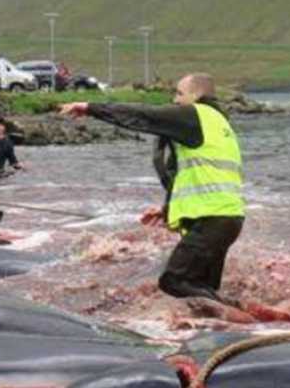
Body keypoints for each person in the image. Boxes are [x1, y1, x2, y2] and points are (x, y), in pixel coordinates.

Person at [59, 73, 245, 303]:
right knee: (200, 288)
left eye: (179, 93)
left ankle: (239, 317)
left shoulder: (194, 115)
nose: (175, 100)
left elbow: (143, 115)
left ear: (196, 95)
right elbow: (200, 176)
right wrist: (168, 208)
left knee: (174, 281)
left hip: (212, 221)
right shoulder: (220, 123)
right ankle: (228, 326)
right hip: (227, 219)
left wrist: (90, 108)